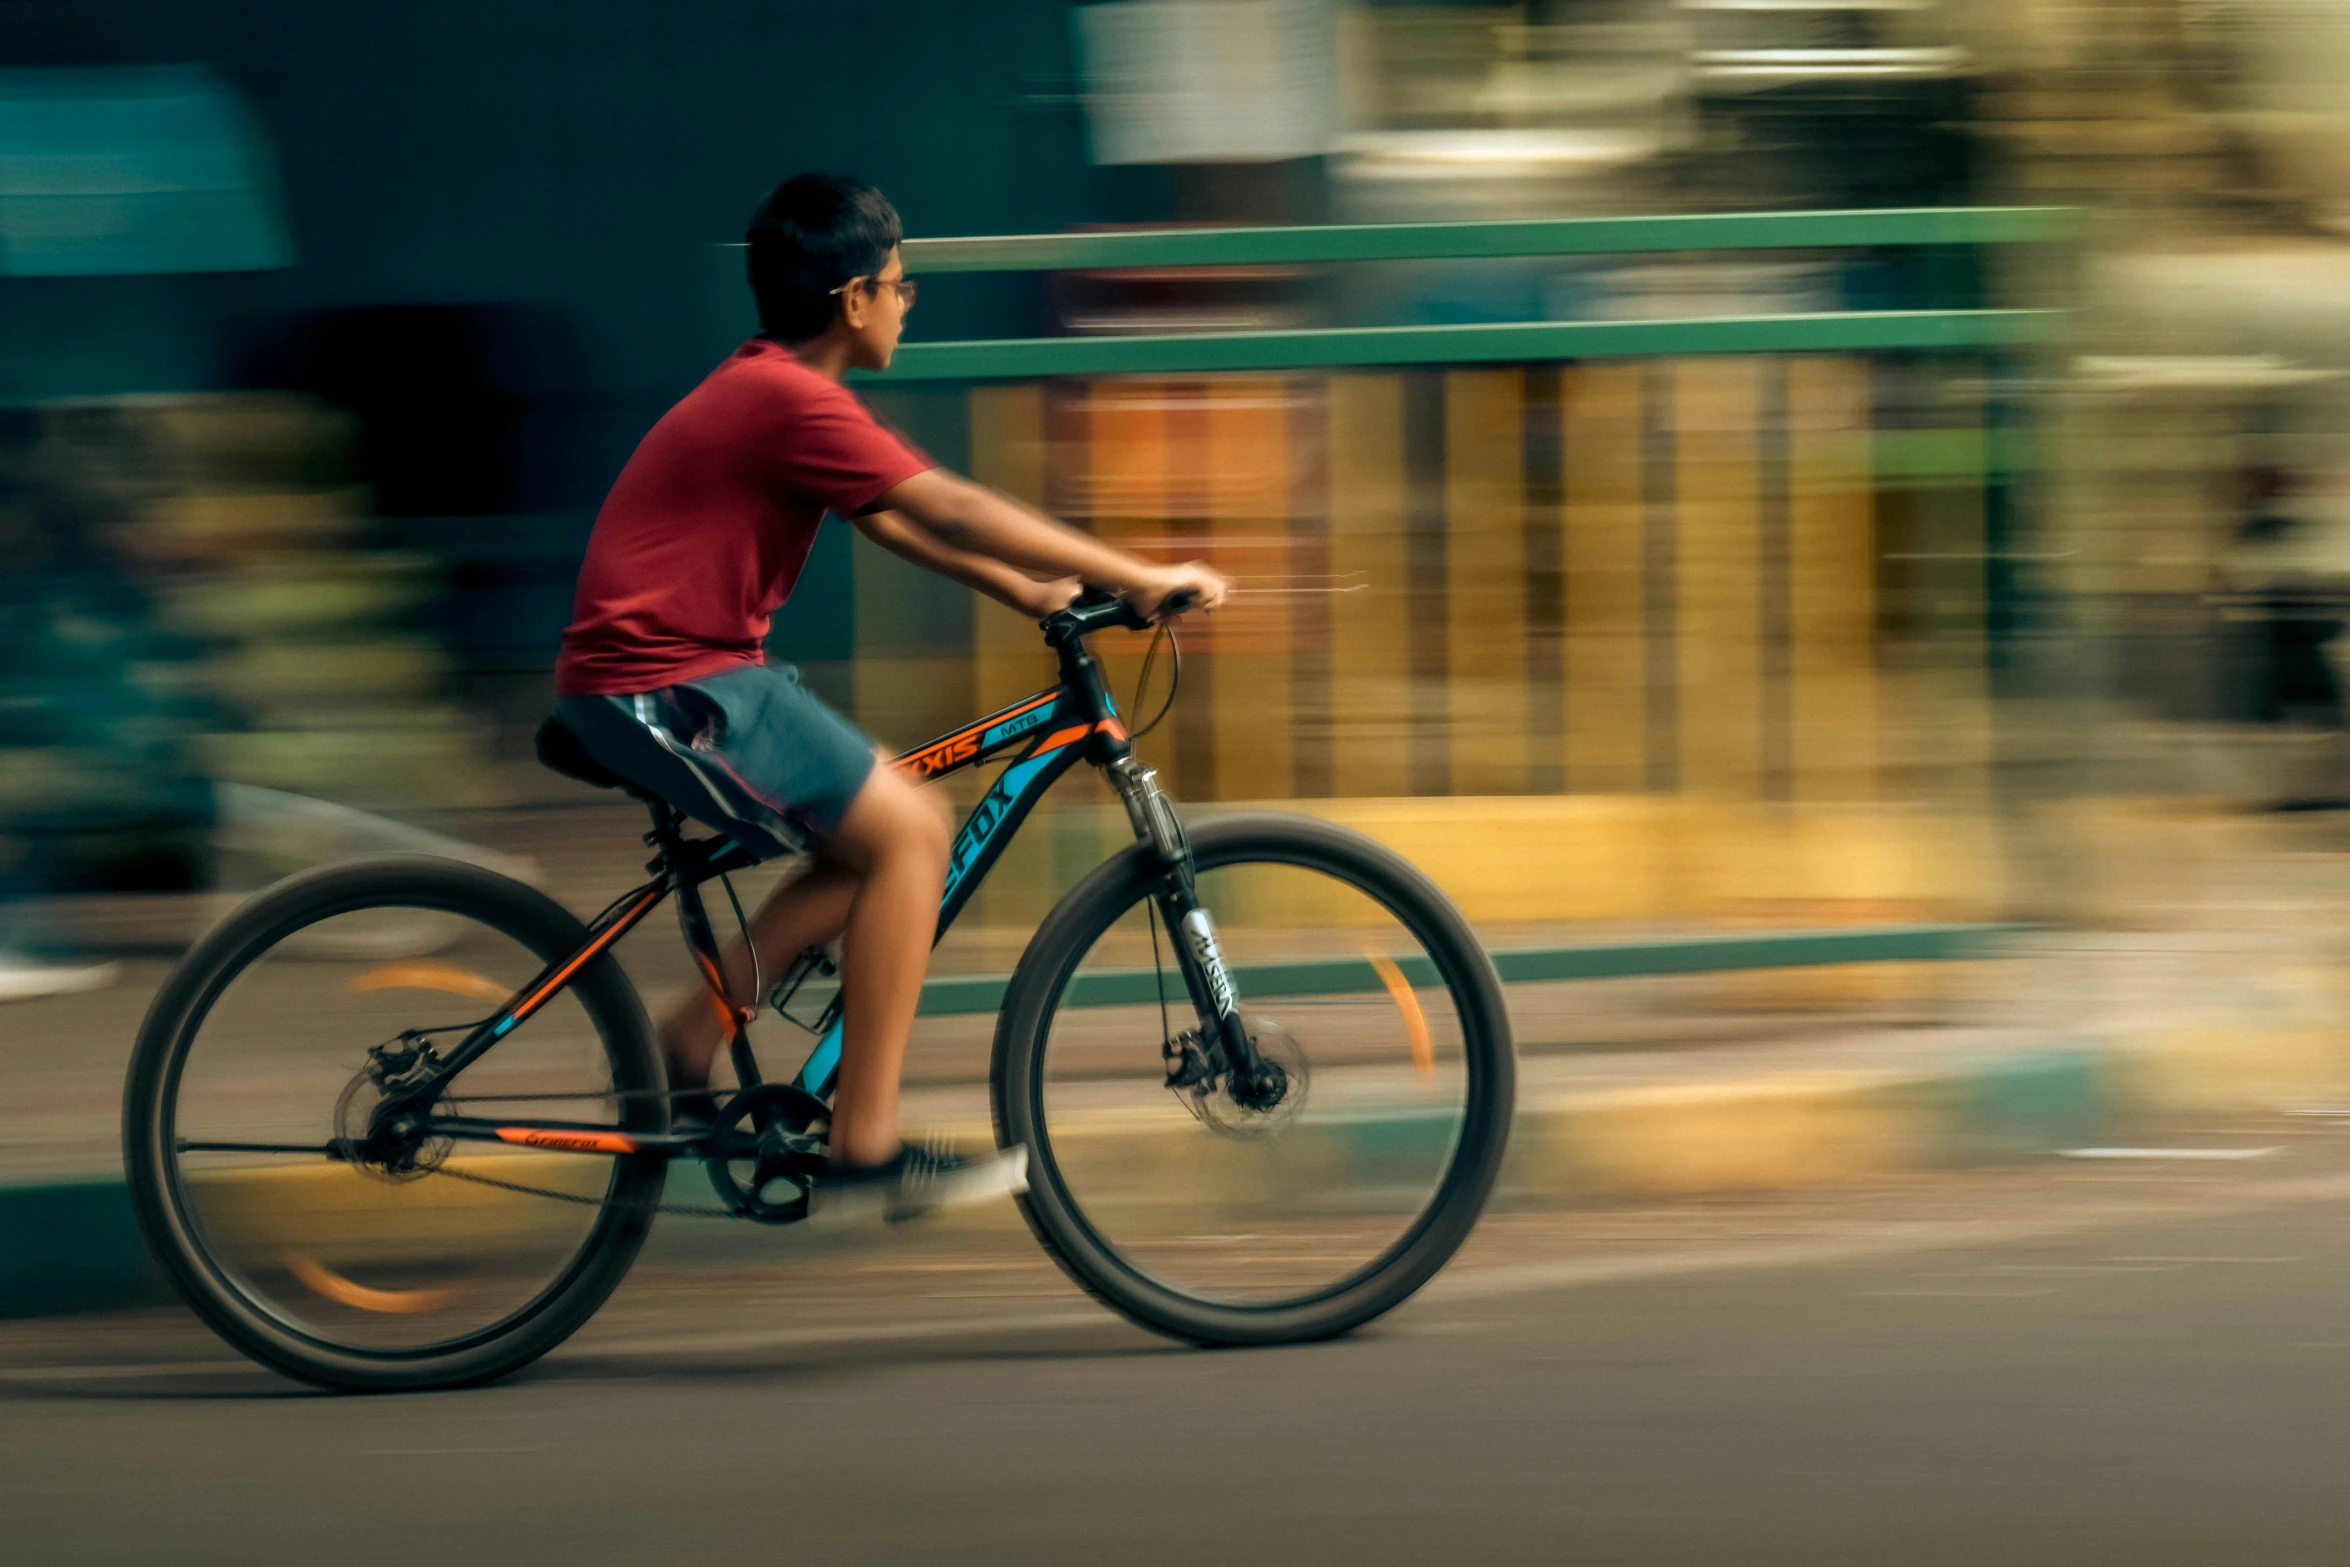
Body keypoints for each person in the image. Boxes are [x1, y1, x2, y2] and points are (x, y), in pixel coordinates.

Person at [549, 173, 1227, 1219]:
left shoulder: (774, 389)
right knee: (911, 828)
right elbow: (946, 504)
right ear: (855, 298)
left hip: (680, 676)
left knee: (877, 831)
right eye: (902, 287)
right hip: (670, 682)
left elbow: (890, 519)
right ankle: (864, 1139)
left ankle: (693, 1031)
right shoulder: (787, 399)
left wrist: (1030, 590)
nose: (910, 305)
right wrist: (1133, 572)